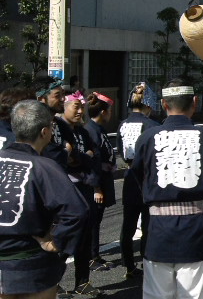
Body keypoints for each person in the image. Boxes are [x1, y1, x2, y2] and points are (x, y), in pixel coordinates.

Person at [131, 78, 203, 299]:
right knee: (193, 294)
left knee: (156, 293)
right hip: (194, 224)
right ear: (195, 102)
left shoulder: (147, 138)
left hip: (157, 225)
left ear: (164, 104)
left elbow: (138, 174)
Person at [0, 100, 89, 298]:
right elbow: (77, 211)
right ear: (45, 132)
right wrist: (56, 241)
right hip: (31, 264)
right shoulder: (44, 167)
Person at [59, 91, 102, 297]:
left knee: (84, 237)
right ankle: (55, 283)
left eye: (81, 106)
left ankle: (82, 282)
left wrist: (81, 157)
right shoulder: (57, 130)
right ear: (64, 107)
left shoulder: (82, 132)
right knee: (62, 238)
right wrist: (82, 157)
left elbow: (95, 154)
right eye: (75, 106)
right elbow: (67, 159)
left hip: (84, 188)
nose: (80, 110)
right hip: (65, 190)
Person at [117, 82, 160, 279]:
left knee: (128, 225)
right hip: (148, 180)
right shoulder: (152, 126)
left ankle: (128, 266)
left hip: (129, 177)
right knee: (147, 226)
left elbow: (120, 151)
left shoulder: (122, 124)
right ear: (149, 105)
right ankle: (147, 263)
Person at [83, 92, 117, 271]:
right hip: (95, 183)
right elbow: (92, 162)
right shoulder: (90, 130)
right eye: (109, 110)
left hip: (103, 179)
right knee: (93, 221)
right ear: (103, 112)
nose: (110, 114)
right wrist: (96, 187)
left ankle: (94, 254)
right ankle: (91, 256)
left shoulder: (97, 129)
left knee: (97, 220)